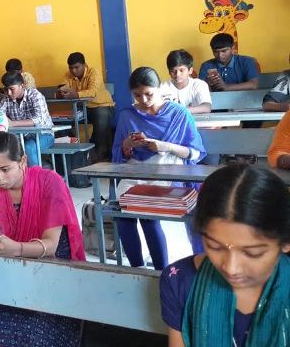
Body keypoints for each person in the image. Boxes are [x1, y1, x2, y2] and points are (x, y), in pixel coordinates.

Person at [0, 132, 85, 347]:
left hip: (53, 269)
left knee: (39, 336)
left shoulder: (50, 182)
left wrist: (16, 249)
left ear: (22, 161)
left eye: (5, 169)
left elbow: (50, 245)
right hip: (14, 270)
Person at [160, 165, 290, 347]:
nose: (231, 268)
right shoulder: (180, 281)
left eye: (252, 253)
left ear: (285, 242)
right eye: (214, 246)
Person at [112, 67, 206, 269]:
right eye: (137, 95)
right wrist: (128, 144)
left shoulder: (179, 114)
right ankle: (136, 268)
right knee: (123, 215)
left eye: (149, 94)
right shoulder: (127, 115)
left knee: (147, 216)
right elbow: (118, 155)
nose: (144, 100)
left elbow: (195, 153)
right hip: (136, 171)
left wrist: (166, 147)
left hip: (169, 171)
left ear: (159, 89)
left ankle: (160, 270)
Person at [57, 52, 116, 161]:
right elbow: (63, 87)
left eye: (77, 67)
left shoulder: (94, 72)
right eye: (71, 68)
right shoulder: (68, 75)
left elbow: (92, 92)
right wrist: (61, 93)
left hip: (103, 106)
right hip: (83, 108)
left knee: (101, 115)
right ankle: (74, 149)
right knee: (60, 121)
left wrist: (76, 94)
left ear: (84, 65)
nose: (73, 71)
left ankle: (100, 153)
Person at [0, 72, 54, 166]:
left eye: (12, 89)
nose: (9, 93)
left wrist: (13, 123)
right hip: (22, 136)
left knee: (28, 148)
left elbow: (39, 119)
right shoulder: (6, 99)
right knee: (6, 148)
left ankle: (35, 175)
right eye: (6, 89)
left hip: (44, 134)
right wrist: (1, 118)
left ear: (22, 86)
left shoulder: (35, 95)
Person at [160, 50, 212, 114]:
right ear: (169, 72)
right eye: (173, 71)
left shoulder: (199, 84)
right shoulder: (162, 87)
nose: (177, 74)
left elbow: (206, 107)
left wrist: (179, 111)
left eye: (181, 70)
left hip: (195, 120)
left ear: (190, 70)